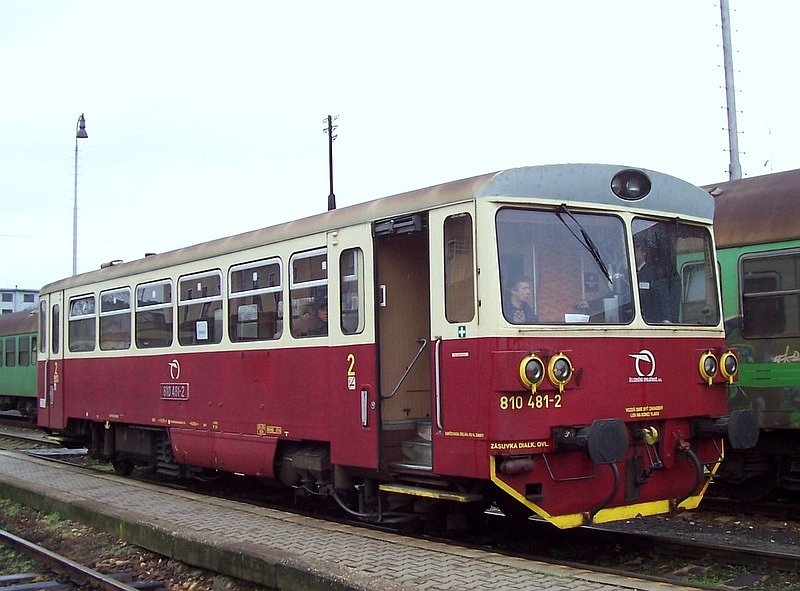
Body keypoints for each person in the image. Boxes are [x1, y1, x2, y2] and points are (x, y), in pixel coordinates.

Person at [634, 238, 679, 324]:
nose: (633, 254)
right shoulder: (629, 273)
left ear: (644, 253)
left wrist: (666, 318)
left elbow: (663, 295)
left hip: (652, 321)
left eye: (636, 251)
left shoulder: (653, 272)